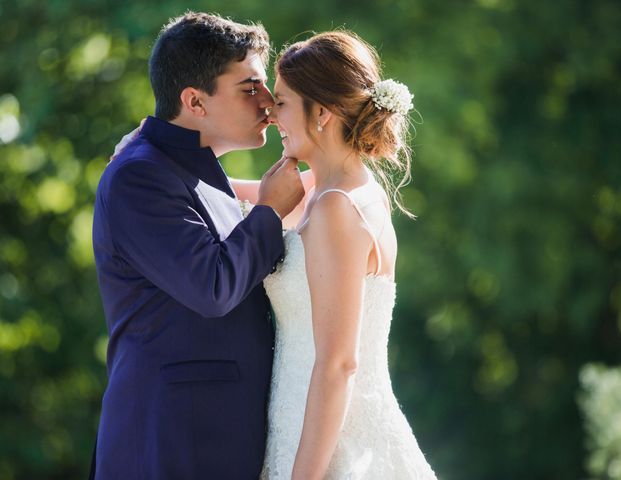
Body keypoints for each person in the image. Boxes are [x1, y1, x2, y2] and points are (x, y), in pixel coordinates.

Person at [91, 12, 306, 479]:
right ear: (194, 101)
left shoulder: (191, 172)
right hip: (171, 442)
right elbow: (212, 286)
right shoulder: (139, 177)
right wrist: (269, 212)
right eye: (250, 89)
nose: (269, 104)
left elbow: (308, 190)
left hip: (213, 436)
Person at [259, 31, 438, 479]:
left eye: (281, 102)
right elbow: (231, 198)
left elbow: (339, 363)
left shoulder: (337, 208)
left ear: (320, 111)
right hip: (305, 427)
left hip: (335, 450)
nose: (269, 113)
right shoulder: (336, 193)